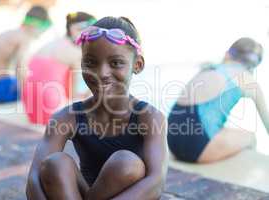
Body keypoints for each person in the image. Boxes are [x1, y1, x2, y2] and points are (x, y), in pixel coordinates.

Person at [26, 16, 169, 200]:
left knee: (126, 164)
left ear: (138, 65)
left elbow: (156, 182)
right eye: (90, 63)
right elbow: (34, 180)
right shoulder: (67, 117)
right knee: (55, 164)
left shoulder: (149, 117)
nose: (102, 73)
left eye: (116, 63)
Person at [167, 37, 269, 163]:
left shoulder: (209, 68)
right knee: (251, 138)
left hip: (171, 141)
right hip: (196, 148)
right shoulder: (249, 80)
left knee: (222, 128)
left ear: (227, 54)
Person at [22, 12, 96, 124]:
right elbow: (75, 95)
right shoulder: (76, 53)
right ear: (72, 30)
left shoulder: (49, 44)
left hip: (29, 108)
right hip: (51, 110)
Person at [0, 5, 51, 103]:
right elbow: (20, 66)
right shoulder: (24, 38)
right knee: (38, 90)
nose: (40, 35)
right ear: (35, 26)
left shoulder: (11, 33)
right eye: (42, 31)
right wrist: (24, 90)